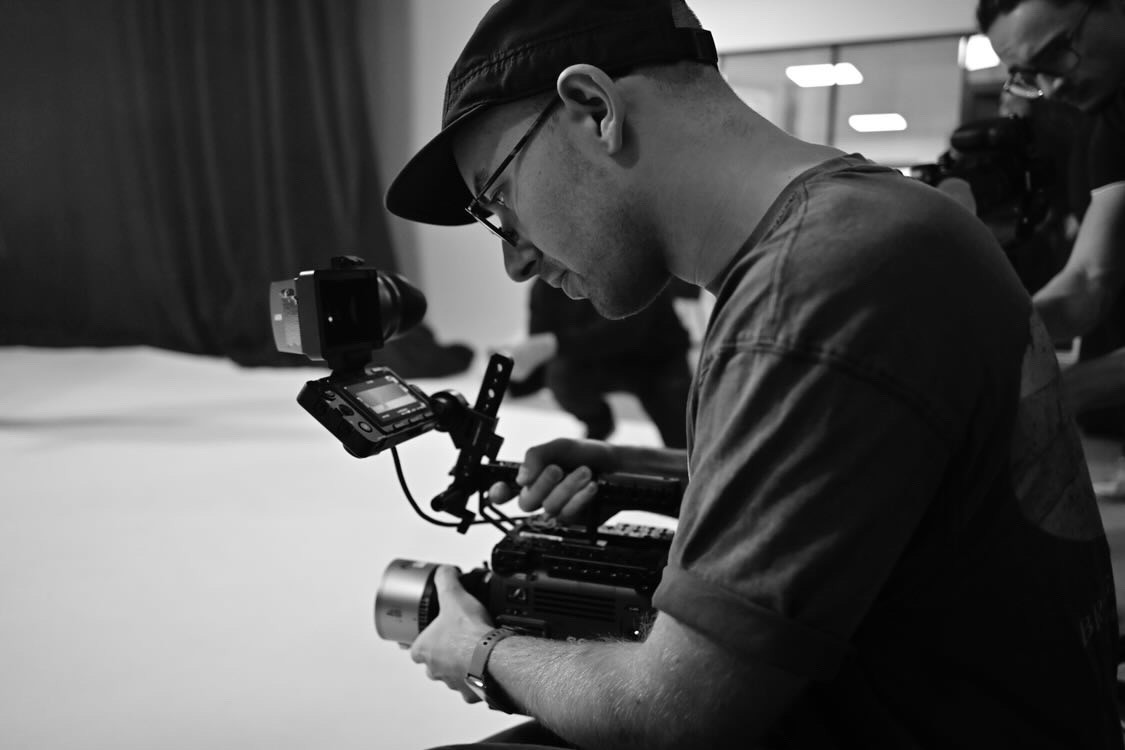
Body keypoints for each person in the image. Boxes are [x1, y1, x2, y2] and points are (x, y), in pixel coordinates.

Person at [384, 1, 1121, 746]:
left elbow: (671, 714)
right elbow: (885, 473)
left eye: (498, 202)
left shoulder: (809, 290)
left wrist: (480, 652)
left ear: (592, 108)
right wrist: (639, 467)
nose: (514, 260)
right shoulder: (884, 215)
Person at [980, 0, 1125, 452]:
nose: (1052, 84)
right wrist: (975, 335)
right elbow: (1087, 280)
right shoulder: (1112, 121)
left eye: (1055, 53)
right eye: (1028, 73)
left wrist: (1063, 389)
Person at [503, 277, 692, 447]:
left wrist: (554, 343)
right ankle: (598, 423)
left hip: (658, 359)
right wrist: (510, 386)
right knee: (560, 372)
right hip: (598, 364)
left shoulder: (620, 261)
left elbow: (627, 330)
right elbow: (542, 364)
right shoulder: (544, 289)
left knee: (687, 442)